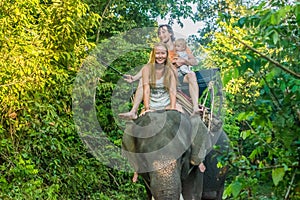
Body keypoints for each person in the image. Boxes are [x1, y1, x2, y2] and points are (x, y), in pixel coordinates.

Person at [119, 24, 201, 120]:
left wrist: (183, 61)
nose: (161, 35)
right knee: (143, 80)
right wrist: (134, 78)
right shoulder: (158, 49)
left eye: (163, 32)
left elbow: (194, 62)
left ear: (170, 33)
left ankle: (195, 107)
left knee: (192, 74)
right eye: (159, 33)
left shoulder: (180, 45)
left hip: (181, 74)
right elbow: (149, 66)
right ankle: (133, 111)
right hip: (165, 76)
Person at [131, 42, 182, 182]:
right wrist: (147, 108)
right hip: (152, 106)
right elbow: (146, 89)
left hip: (166, 105)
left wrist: (172, 108)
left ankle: (196, 158)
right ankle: (137, 168)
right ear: (154, 55)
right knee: (134, 130)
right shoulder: (147, 69)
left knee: (186, 123)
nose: (160, 56)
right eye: (157, 53)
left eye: (163, 53)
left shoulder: (170, 70)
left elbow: (172, 90)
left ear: (166, 55)